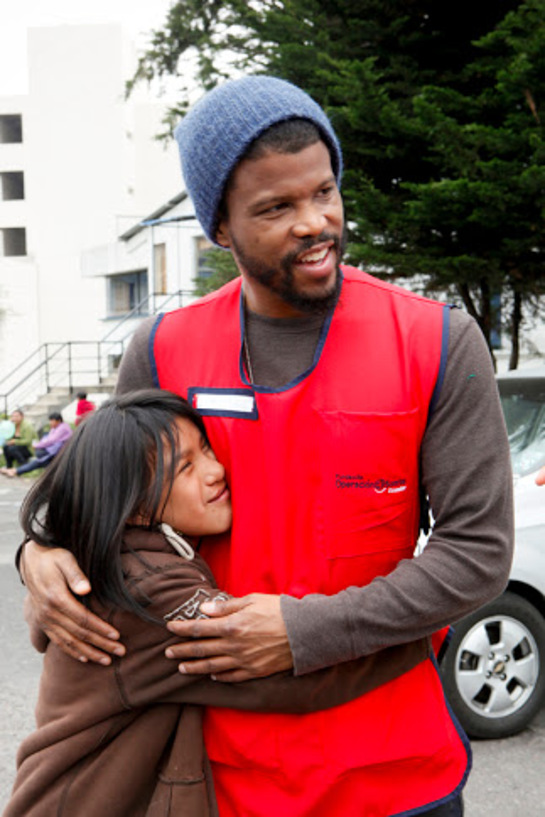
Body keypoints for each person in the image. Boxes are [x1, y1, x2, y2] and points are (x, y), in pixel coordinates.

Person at [19, 76, 514, 816]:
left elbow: (476, 553)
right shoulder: (162, 350)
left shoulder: (437, 341)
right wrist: (41, 555)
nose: (313, 222)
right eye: (275, 207)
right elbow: (104, 503)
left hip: (396, 779)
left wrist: (301, 631)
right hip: (218, 779)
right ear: (218, 227)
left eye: (323, 191)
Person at [6, 389, 398, 817]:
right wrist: (419, 632)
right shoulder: (149, 589)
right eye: (186, 468)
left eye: (207, 449)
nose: (215, 471)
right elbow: (289, 675)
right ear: (132, 505)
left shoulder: (122, 558)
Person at [1, 412, 72, 477]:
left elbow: (50, 440)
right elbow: (48, 439)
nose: (14, 418)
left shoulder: (62, 428)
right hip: (52, 450)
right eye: (13, 416)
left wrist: (37, 445)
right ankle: (12, 469)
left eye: (16, 416)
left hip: (55, 451)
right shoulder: (14, 425)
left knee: (39, 459)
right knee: (6, 447)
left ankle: (18, 468)